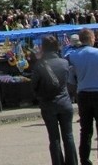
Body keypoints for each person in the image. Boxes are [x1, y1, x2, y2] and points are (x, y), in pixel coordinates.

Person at [67, 28, 98, 165]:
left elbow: (70, 79)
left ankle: (84, 159)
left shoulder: (73, 55)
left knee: (86, 129)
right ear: (92, 38)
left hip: (83, 93)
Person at [31, 35, 78, 165]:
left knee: (54, 138)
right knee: (68, 136)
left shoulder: (39, 65)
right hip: (64, 101)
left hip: (48, 103)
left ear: (43, 48)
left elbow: (33, 85)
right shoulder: (64, 62)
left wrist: (39, 96)